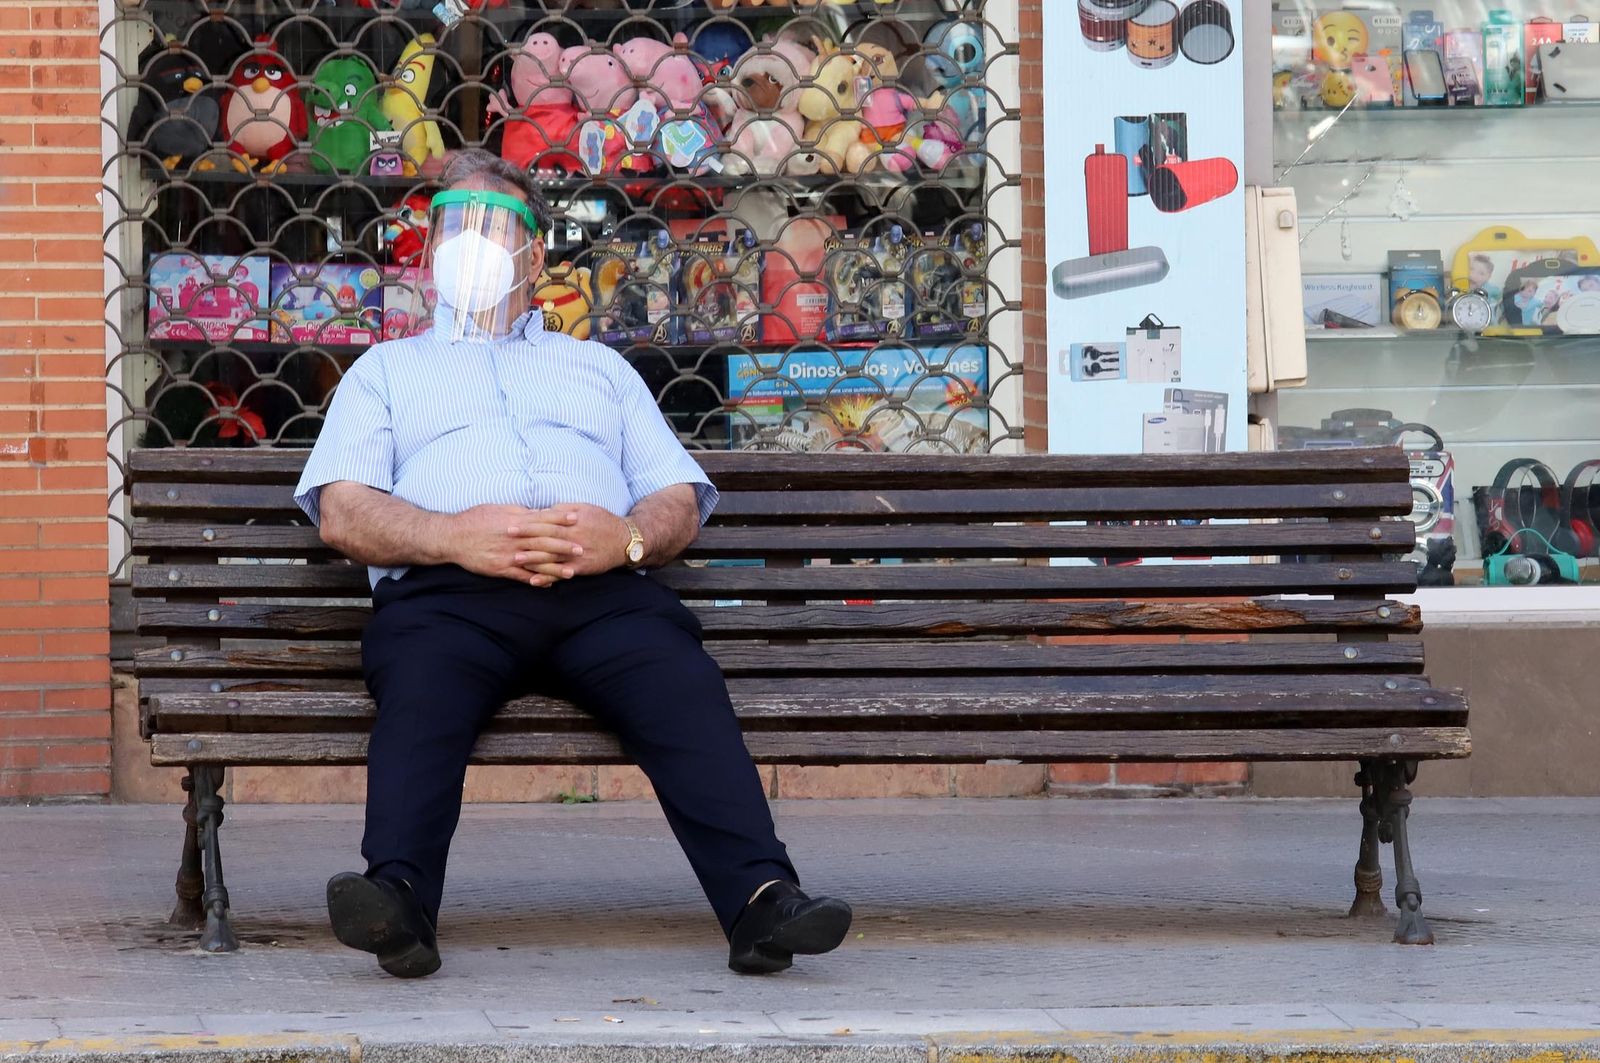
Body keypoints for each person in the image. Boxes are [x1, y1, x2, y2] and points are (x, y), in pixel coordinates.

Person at [293, 149, 852, 980]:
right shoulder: (386, 372)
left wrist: (623, 540)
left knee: (680, 678)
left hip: (603, 593)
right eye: (453, 222)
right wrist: (454, 536)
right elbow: (343, 510)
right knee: (422, 682)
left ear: (535, 250)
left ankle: (762, 901)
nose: (469, 239)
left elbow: (674, 498)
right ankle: (399, 900)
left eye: (492, 223)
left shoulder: (599, 368)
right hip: (451, 595)